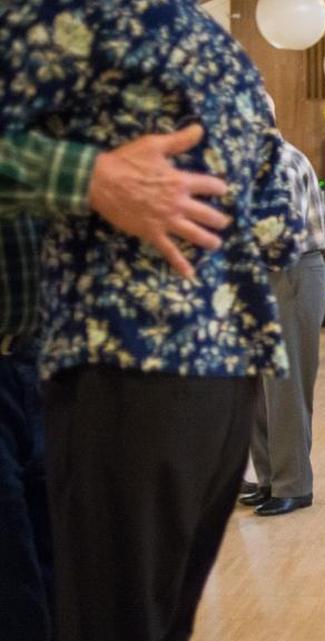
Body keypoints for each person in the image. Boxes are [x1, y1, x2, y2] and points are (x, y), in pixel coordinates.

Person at [0, 3, 304, 640]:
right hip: (171, 366)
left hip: (165, 365)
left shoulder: (106, 22)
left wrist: (92, 177)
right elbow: (278, 220)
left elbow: (273, 203)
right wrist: (90, 176)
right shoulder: (184, 37)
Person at [242, 136, 325, 517]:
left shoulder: (279, 162)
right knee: (259, 386)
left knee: (285, 383)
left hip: (289, 272)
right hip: (264, 274)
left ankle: (293, 484)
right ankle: (269, 479)